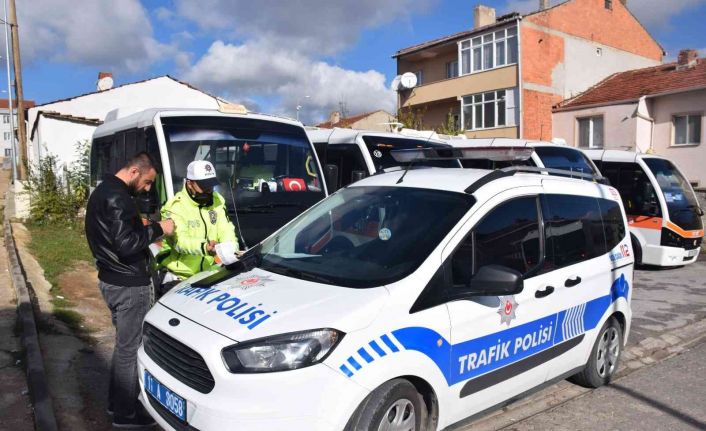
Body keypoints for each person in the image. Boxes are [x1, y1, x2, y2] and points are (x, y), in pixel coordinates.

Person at [85, 152, 175, 428]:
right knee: (131, 349)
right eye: (148, 182)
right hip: (129, 284)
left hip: (112, 278)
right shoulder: (119, 197)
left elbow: (115, 234)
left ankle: (116, 405)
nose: (148, 189)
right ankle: (127, 415)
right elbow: (127, 244)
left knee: (123, 346)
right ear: (135, 171)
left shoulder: (104, 190)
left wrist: (140, 225)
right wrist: (160, 228)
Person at [158, 160, 238, 281]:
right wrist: (205, 247)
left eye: (211, 186)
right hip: (177, 276)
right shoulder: (175, 206)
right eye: (204, 186)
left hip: (206, 272)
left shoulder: (217, 200)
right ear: (189, 183)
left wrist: (232, 249)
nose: (209, 190)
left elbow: (225, 229)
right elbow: (180, 241)